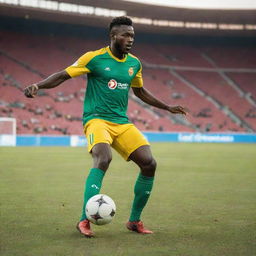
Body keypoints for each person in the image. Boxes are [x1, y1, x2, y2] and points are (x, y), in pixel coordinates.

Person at [24, 16, 187, 237]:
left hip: (121, 122)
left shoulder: (134, 63)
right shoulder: (94, 58)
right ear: (113, 36)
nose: (130, 39)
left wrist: (167, 107)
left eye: (132, 36)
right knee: (103, 158)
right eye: (125, 35)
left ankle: (134, 221)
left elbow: (139, 91)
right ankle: (84, 220)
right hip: (96, 119)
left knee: (149, 164)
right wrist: (38, 85)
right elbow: (63, 75)